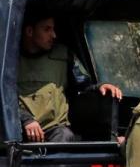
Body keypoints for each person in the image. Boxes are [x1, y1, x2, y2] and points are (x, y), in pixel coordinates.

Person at [18, 8, 122, 142]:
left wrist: (100, 87)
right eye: (47, 29)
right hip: (19, 132)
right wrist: (26, 120)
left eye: (53, 29)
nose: (53, 35)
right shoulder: (8, 60)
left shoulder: (63, 55)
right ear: (30, 31)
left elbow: (83, 84)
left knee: (65, 136)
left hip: (56, 131)